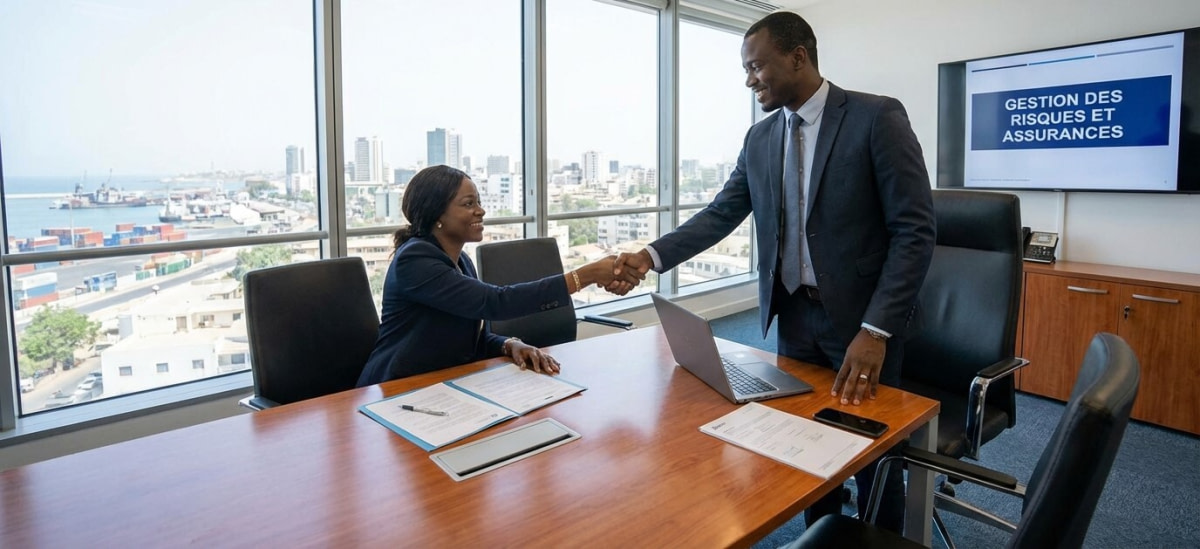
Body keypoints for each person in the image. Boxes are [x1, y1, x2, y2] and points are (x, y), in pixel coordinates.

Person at [613, 11, 935, 533]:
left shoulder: (876, 118)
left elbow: (915, 231)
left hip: (861, 323)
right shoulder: (760, 138)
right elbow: (721, 214)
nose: (749, 80)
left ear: (797, 57)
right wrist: (651, 258)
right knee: (807, 446)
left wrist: (877, 329)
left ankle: (882, 538)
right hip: (794, 315)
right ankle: (820, 536)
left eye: (756, 66)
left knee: (873, 449)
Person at [357, 165, 637, 386]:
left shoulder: (460, 261)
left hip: (442, 385)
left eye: (478, 201)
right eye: (468, 204)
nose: (481, 210)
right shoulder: (415, 260)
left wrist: (508, 344)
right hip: (395, 390)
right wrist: (584, 276)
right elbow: (496, 302)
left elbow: (469, 337)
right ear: (436, 215)